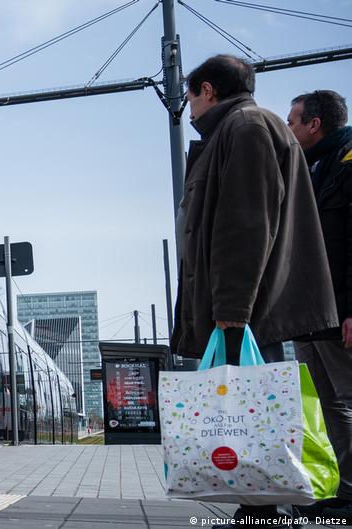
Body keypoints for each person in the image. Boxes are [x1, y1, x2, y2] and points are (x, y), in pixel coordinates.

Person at [170, 55, 339, 529]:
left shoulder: (246, 128)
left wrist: (232, 307)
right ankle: (259, 505)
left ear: (207, 90)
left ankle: (269, 507)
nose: (189, 108)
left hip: (247, 306)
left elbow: (247, 223)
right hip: (247, 303)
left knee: (254, 406)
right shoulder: (244, 128)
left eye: (190, 97)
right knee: (251, 409)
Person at [287, 89, 352, 522]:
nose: (288, 128)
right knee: (327, 403)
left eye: (293, 121)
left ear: (315, 124)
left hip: (339, 311)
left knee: (347, 398)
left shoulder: (346, 163)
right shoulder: (309, 168)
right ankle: (343, 492)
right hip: (310, 312)